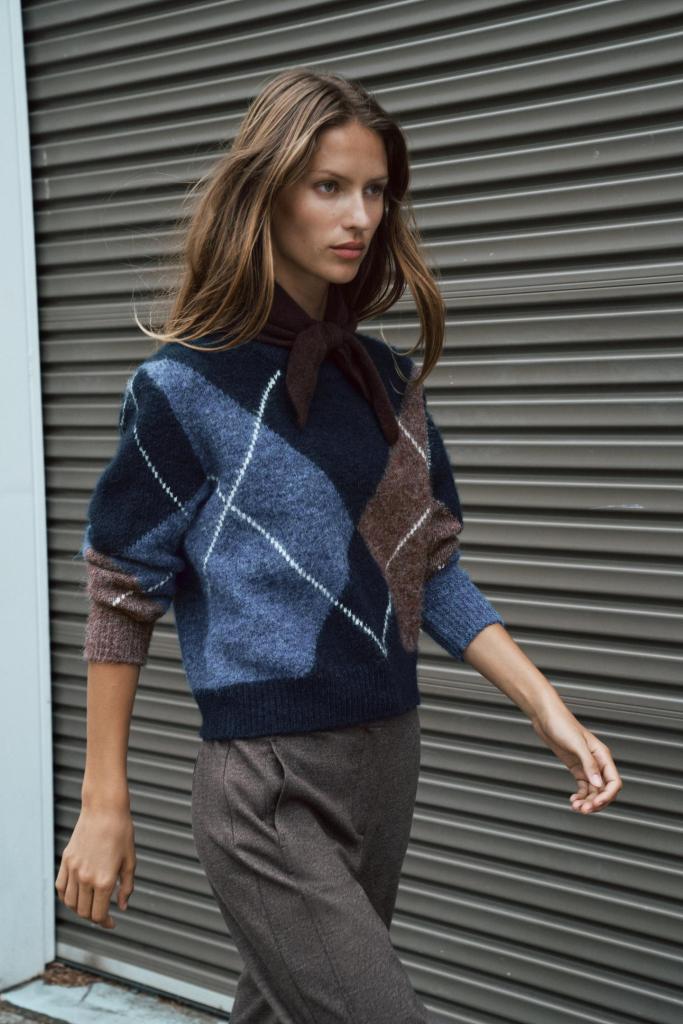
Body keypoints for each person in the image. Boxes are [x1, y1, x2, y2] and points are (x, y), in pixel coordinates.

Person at [55, 67, 622, 1023]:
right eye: (328, 186)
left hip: (388, 757)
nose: (358, 216)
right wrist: (103, 798)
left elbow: (429, 567)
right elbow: (122, 588)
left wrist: (547, 711)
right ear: (266, 191)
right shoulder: (183, 387)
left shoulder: (388, 383)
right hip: (266, 780)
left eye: (374, 191)